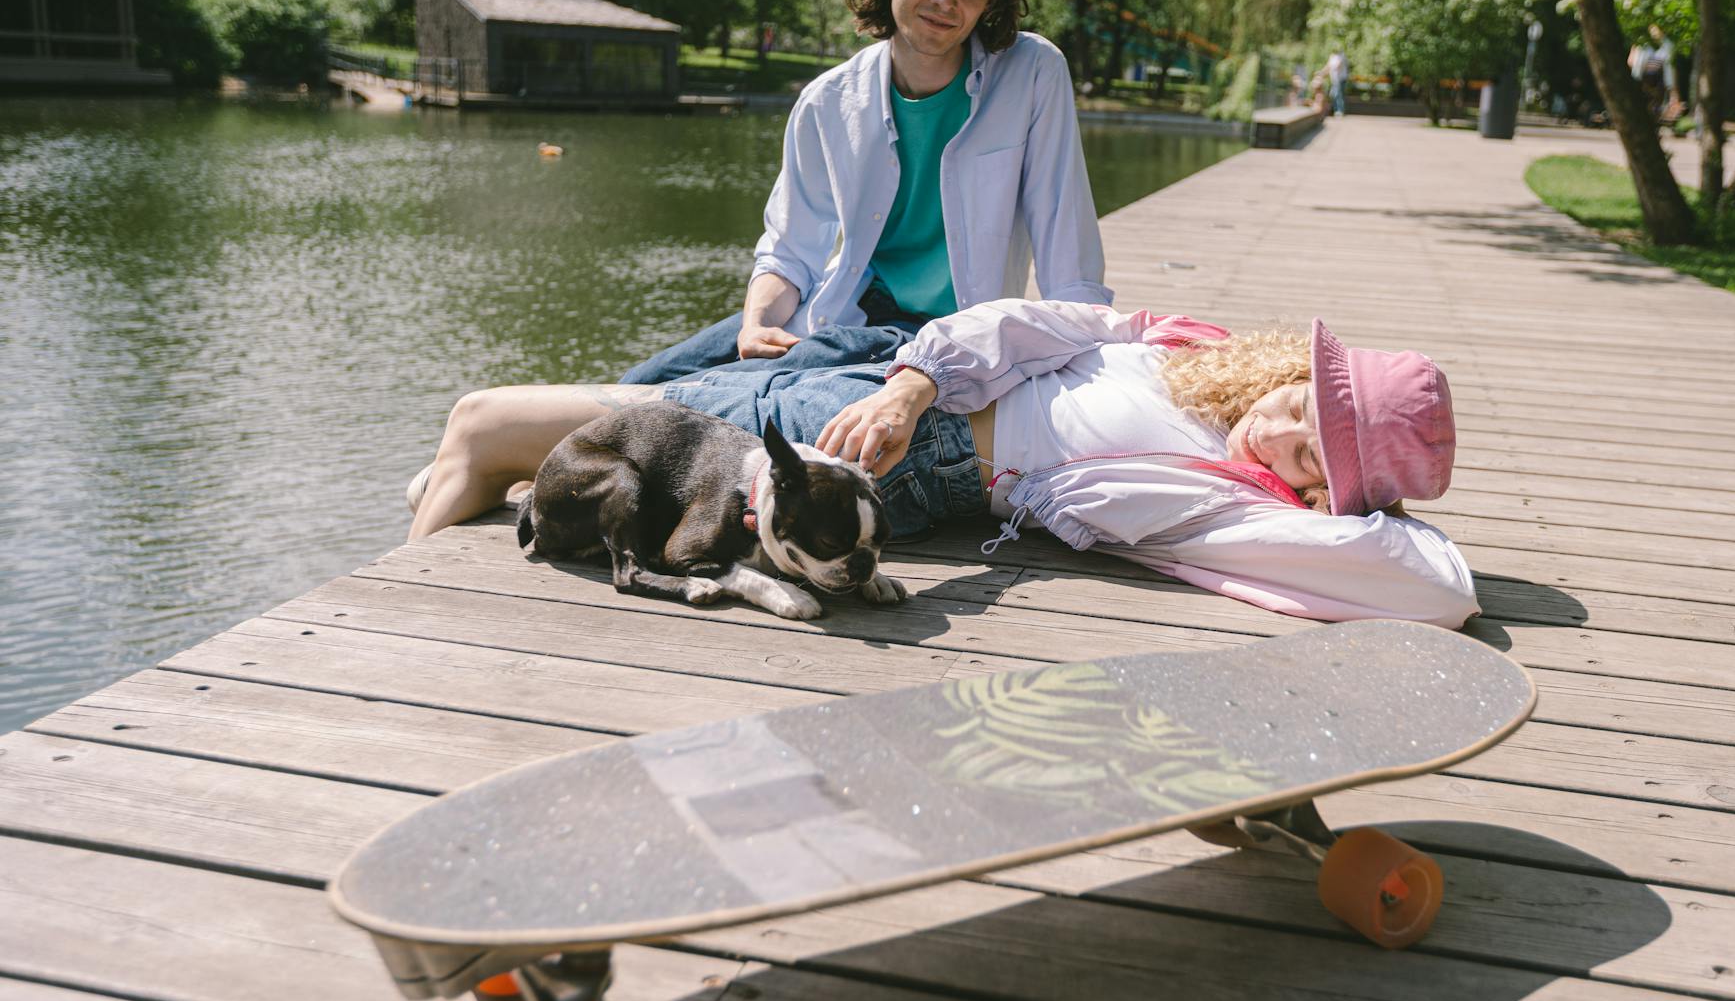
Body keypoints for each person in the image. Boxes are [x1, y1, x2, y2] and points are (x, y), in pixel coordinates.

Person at [411, 300, 1478, 628]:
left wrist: (1376, 506)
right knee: (475, 439)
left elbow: (1433, 586)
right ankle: (436, 530)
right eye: (1302, 405)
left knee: (480, 424)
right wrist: (914, 382)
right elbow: (1023, 320)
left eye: (1313, 461)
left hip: (854, 479)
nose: (1280, 437)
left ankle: (400, 606)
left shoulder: (1221, 502)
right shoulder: (1183, 349)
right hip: (871, 396)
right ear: (1293, 366)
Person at [614, 0, 1109, 389]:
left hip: (931, 341)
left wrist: (1080, 386)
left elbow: (1069, 262)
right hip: (831, 311)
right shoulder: (828, 101)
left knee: (733, 392)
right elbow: (790, 251)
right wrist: (758, 320)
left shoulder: (1032, 74)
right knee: (639, 383)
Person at [1627, 24, 1679, 116]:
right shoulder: (1642, 45)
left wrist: (1673, 92)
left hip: (1658, 81)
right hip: (1644, 80)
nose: (1655, 33)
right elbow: (1631, 62)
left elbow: (1670, 70)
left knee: (1655, 107)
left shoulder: (1667, 46)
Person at [1324, 49, 1349, 117]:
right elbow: (1328, 66)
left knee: (1339, 95)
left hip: (1340, 79)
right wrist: (1322, 73)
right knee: (1333, 95)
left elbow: (1338, 65)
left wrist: (1330, 68)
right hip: (1334, 80)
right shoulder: (1332, 56)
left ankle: (1340, 111)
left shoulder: (1342, 55)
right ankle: (1335, 110)